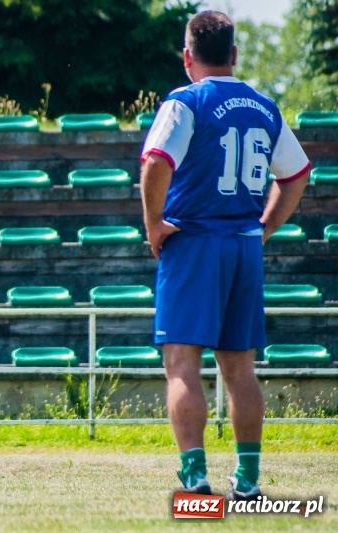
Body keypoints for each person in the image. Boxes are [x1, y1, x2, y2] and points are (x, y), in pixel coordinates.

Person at [140, 11, 310, 501]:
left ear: (187, 56)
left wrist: (154, 225)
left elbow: (156, 162)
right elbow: (295, 174)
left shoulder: (185, 101)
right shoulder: (263, 105)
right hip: (242, 245)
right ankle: (249, 480)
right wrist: (267, 226)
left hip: (193, 240)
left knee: (182, 363)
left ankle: (195, 478)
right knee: (240, 368)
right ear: (234, 55)